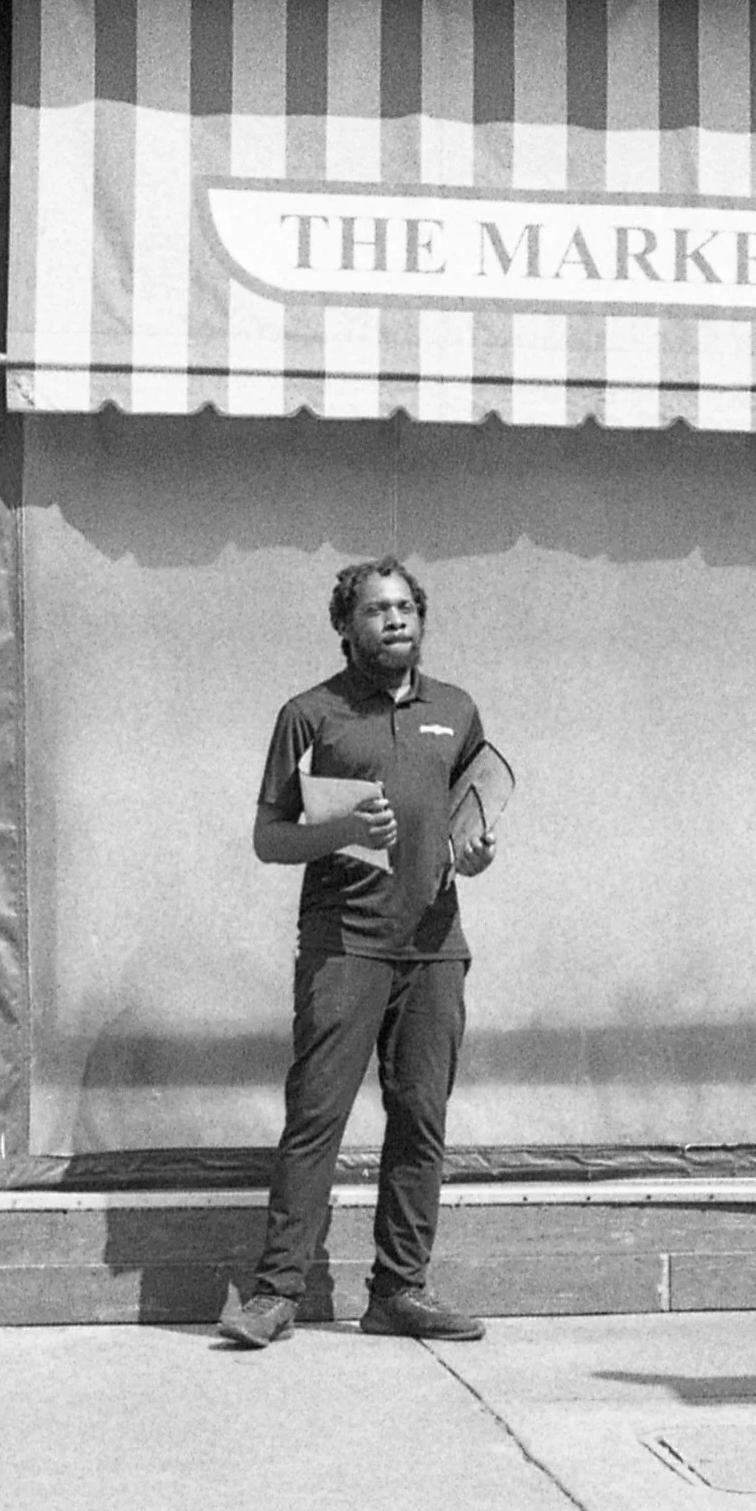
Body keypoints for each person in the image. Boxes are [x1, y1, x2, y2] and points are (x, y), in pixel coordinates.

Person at [218, 557, 498, 1348]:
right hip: (344, 944)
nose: (396, 620)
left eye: (407, 607)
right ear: (346, 626)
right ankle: (276, 1294)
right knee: (316, 1118)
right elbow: (269, 838)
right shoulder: (310, 715)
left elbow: (472, 807)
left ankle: (399, 1291)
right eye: (377, 610)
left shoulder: (458, 709)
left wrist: (474, 852)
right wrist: (341, 832)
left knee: (420, 1119)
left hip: (435, 944)